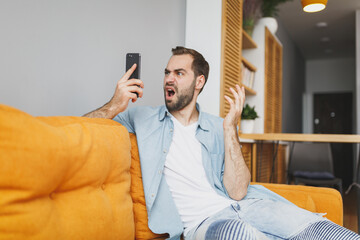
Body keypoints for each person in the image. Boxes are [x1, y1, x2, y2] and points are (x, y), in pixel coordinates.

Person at [84, 47, 359, 240]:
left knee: (321, 231)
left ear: (199, 81)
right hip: (206, 224)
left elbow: (238, 191)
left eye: (179, 73)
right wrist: (114, 105)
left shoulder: (217, 125)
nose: (169, 78)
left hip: (249, 205)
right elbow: (80, 127)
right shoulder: (141, 118)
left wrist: (230, 129)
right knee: (240, 235)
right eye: (167, 72)